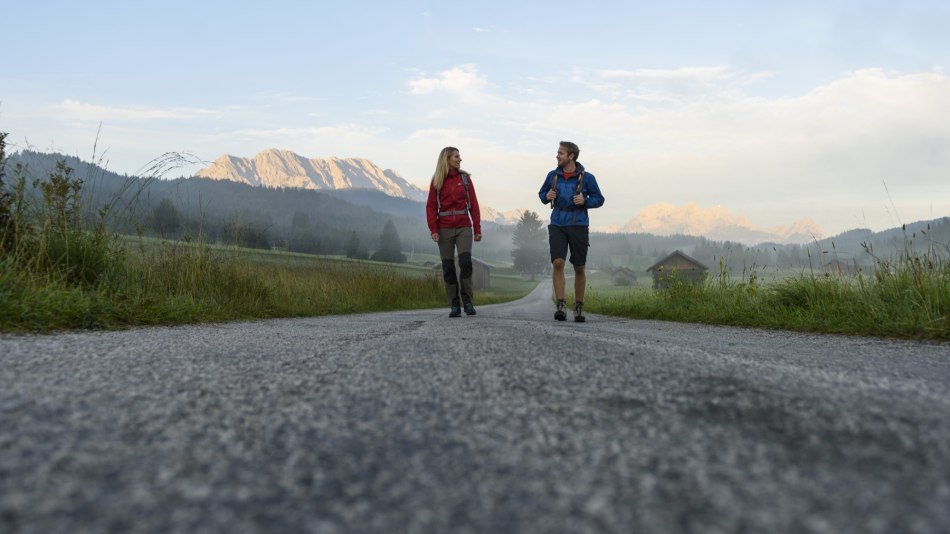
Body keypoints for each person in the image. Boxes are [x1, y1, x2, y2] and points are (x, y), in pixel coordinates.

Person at [538, 141, 605, 322]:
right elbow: (542, 194)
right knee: (558, 262)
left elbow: (599, 199)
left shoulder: (587, 177)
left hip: (579, 224)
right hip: (558, 223)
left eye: (560, 153)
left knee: (579, 267)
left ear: (571, 156)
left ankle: (578, 307)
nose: (557, 156)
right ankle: (560, 304)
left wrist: (585, 201)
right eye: (557, 153)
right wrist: (547, 196)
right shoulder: (553, 176)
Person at [426, 146, 482, 318]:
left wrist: (477, 227)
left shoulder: (465, 179)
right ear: (447, 159)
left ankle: (468, 302)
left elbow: (473, 203)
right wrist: (434, 229)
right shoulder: (437, 180)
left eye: (459, 156)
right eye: (456, 156)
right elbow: (431, 206)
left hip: (464, 226)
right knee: (448, 267)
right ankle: (454, 305)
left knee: (465, 263)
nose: (460, 159)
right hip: (444, 229)